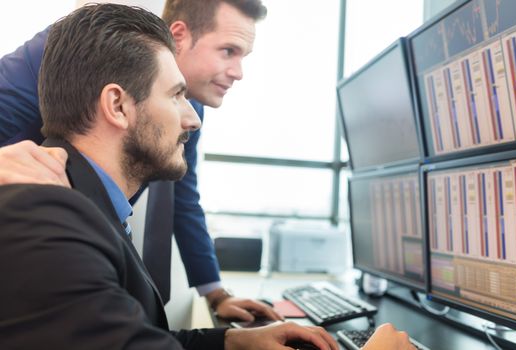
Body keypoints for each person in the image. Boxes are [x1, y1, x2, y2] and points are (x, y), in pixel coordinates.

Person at [0, 4, 346, 349]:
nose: (239, 72)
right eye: (228, 51)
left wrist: (219, 304)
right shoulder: (73, 50)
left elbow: (183, 196)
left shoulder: (187, 108)